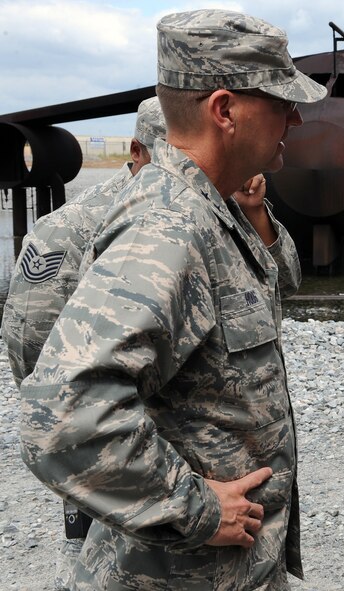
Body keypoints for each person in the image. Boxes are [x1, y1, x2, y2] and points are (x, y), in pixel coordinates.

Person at [18, 9, 325, 590]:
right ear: (225, 110)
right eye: (282, 99)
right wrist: (197, 510)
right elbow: (60, 413)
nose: (297, 117)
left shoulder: (214, 209)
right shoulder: (169, 228)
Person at [2, 97, 167, 589]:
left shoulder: (201, 215)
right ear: (138, 152)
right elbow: (29, 347)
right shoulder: (69, 230)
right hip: (109, 449)